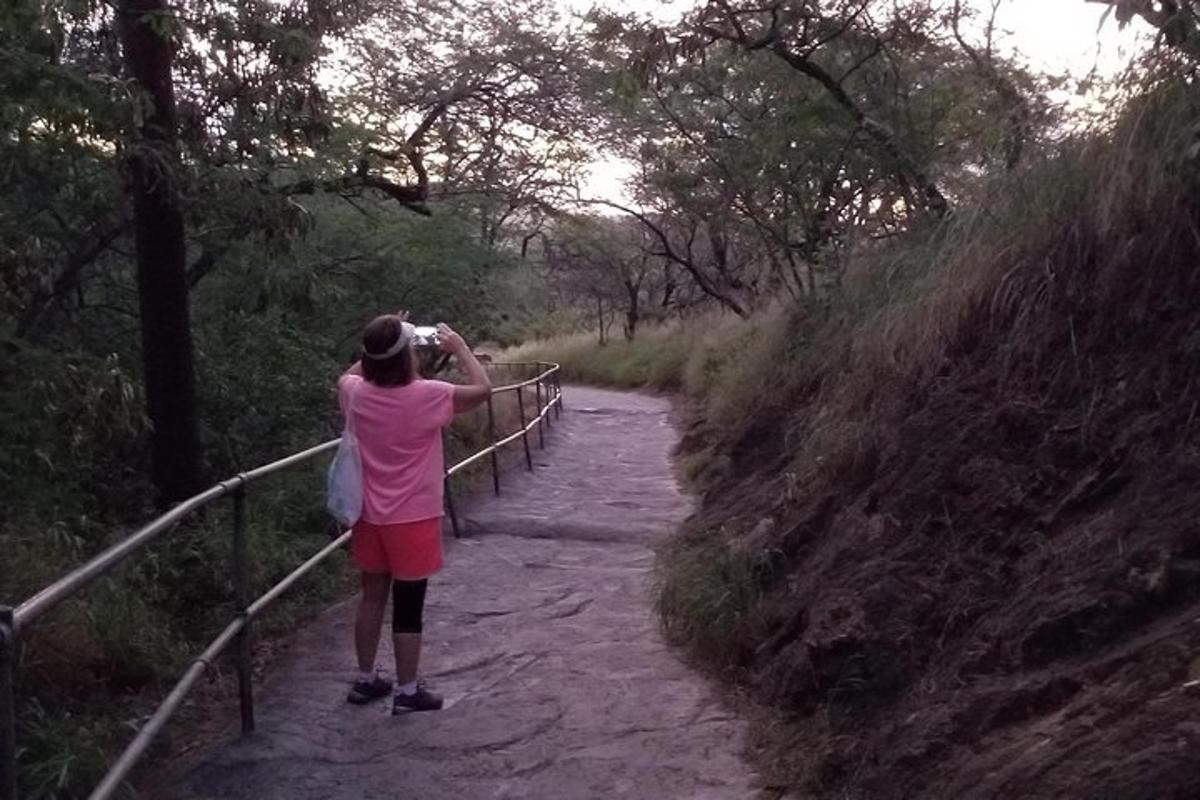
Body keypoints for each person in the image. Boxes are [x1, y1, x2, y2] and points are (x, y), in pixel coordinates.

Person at [338, 316, 490, 713]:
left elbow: (352, 373)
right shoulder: (431, 395)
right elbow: (482, 390)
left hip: (367, 515)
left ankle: (365, 680)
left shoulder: (354, 392)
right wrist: (459, 348)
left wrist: (379, 339)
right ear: (407, 354)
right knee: (408, 604)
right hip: (414, 517)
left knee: (371, 596)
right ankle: (407, 692)